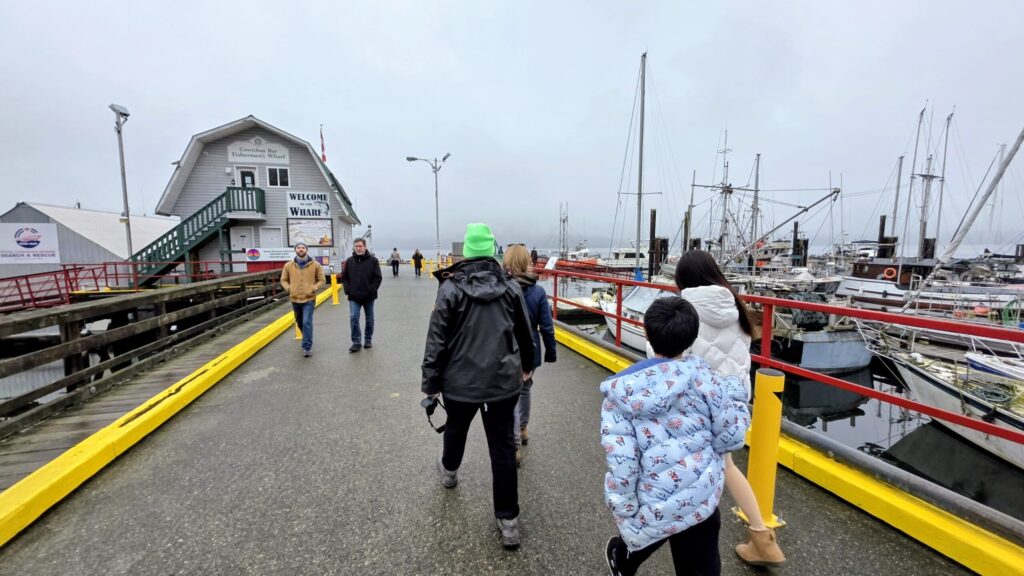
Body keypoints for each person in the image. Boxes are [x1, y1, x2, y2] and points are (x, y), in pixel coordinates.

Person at [653, 249, 786, 566]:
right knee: (727, 466)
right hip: (732, 403)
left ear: (683, 279)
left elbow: (668, 360)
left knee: (682, 476)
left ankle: (637, 545)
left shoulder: (683, 311)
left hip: (697, 406)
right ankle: (762, 539)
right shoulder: (735, 306)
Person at [603, 297, 750, 576]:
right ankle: (624, 555)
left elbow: (623, 461)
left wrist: (624, 507)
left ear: (646, 333)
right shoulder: (708, 380)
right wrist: (736, 400)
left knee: (651, 528)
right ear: (693, 337)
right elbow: (730, 438)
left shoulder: (619, 394)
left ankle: (622, 557)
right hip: (700, 495)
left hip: (652, 497)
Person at [422, 223, 535, 550]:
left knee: (456, 429)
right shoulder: (510, 287)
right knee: (502, 447)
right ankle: (509, 521)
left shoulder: (450, 289)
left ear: (467, 253)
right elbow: (525, 333)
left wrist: (430, 384)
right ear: (491, 252)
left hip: (460, 382)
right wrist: (527, 366)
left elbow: (436, 341)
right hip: (502, 383)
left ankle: (449, 471)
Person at [502, 244, 556, 466]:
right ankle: (523, 428)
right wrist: (551, 351)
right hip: (530, 349)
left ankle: (514, 443)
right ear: (527, 263)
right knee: (525, 389)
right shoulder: (538, 291)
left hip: (506, 349)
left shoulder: (501, 289)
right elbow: (547, 326)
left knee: (510, 396)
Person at [280, 242, 325, 358]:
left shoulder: (315, 265)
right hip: (295, 299)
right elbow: (283, 280)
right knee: (300, 322)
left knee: (306, 322)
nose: (301, 249)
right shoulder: (288, 265)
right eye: (298, 248)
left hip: (309, 299)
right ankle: (307, 337)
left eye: (303, 248)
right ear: (295, 250)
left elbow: (322, 280)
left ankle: (307, 347)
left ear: (306, 250)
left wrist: (314, 288)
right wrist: (289, 288)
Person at [340, 238, 382, 353]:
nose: (358, 248)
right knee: (354, 317)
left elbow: (378, 277)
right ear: (354, 247)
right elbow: (344, 277)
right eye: (356, 246)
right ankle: (356, 342)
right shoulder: (349, 261)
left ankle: (368, 339)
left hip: (369, 296)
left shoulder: (373, 261)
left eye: (360, 246)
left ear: (365, 247)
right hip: (354, 296)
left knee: (370, 319)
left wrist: (372, 290)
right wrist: (348, 290)